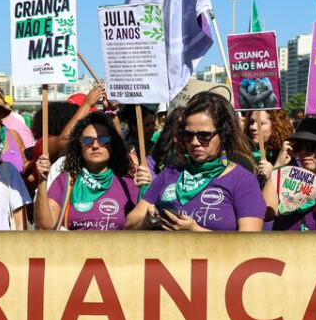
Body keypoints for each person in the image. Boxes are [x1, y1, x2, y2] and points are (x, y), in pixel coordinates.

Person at [127, 93, 265, 232]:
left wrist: (195, 231)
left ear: (223, 134)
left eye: (204, 135)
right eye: (187, 135)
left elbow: (249, 244)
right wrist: (147, 221)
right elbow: (130, 223)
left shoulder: (243, 181)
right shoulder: (169, 173)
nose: (194, 142)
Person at [35, 113, 140, 230]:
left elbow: (142, 227)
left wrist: (147, 186)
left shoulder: (127, 184)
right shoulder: (65, 181)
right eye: (87, 140)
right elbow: (45, 227)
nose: (95, 146)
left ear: (112, 144)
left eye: (103, 140)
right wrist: (42, 181)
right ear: (78, 145)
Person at [244, 109, 294, 182]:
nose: (253, 127)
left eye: (261, 123)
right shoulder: (244, 153)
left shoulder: (287, 155)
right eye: (251, 122)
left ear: (275, 126)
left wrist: (272, 174)